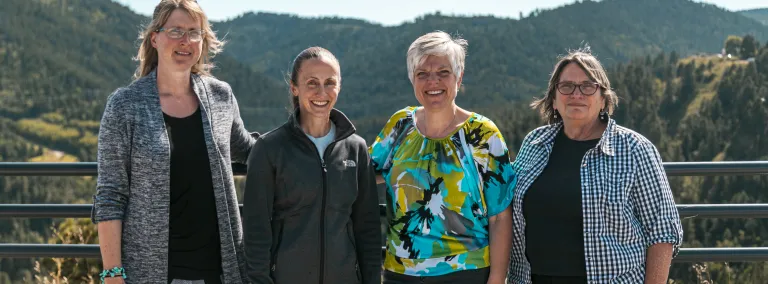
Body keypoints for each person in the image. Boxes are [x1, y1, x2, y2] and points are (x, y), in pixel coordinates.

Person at [91, 1, 256, 283]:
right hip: (152, 274)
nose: (186, 41)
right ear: (155, 38)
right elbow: (110, 195)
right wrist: (113, 274)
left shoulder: (221, 97)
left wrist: (309, 140)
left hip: (220, 272)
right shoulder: (125, 106)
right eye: (176, 31)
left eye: (194, 32)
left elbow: (251, 151)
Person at [507, 47, 684, 283]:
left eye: (588, 86)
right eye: (566, 86)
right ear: (554, 99)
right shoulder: (534, 143)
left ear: (603, 99)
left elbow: (663, 232)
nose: (576, 94)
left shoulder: (635, 150)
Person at [369, 31, 515, 284]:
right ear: (412, 80)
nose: (432, 82)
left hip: (466, 273)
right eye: (422, 74)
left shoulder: (483, 135)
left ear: (459, 77)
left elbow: (500, 216)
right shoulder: (400, 124)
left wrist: (497, 279)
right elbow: (366, 175)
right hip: (399, 274)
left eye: (443, 73)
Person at [242, 46, 381, 284]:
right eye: (312, 83)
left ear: (339, 86)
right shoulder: (269, 148)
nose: (321, 92)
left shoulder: (356, 149)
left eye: (329, 82)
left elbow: (367, 228)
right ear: (294, 88)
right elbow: (256, 231)